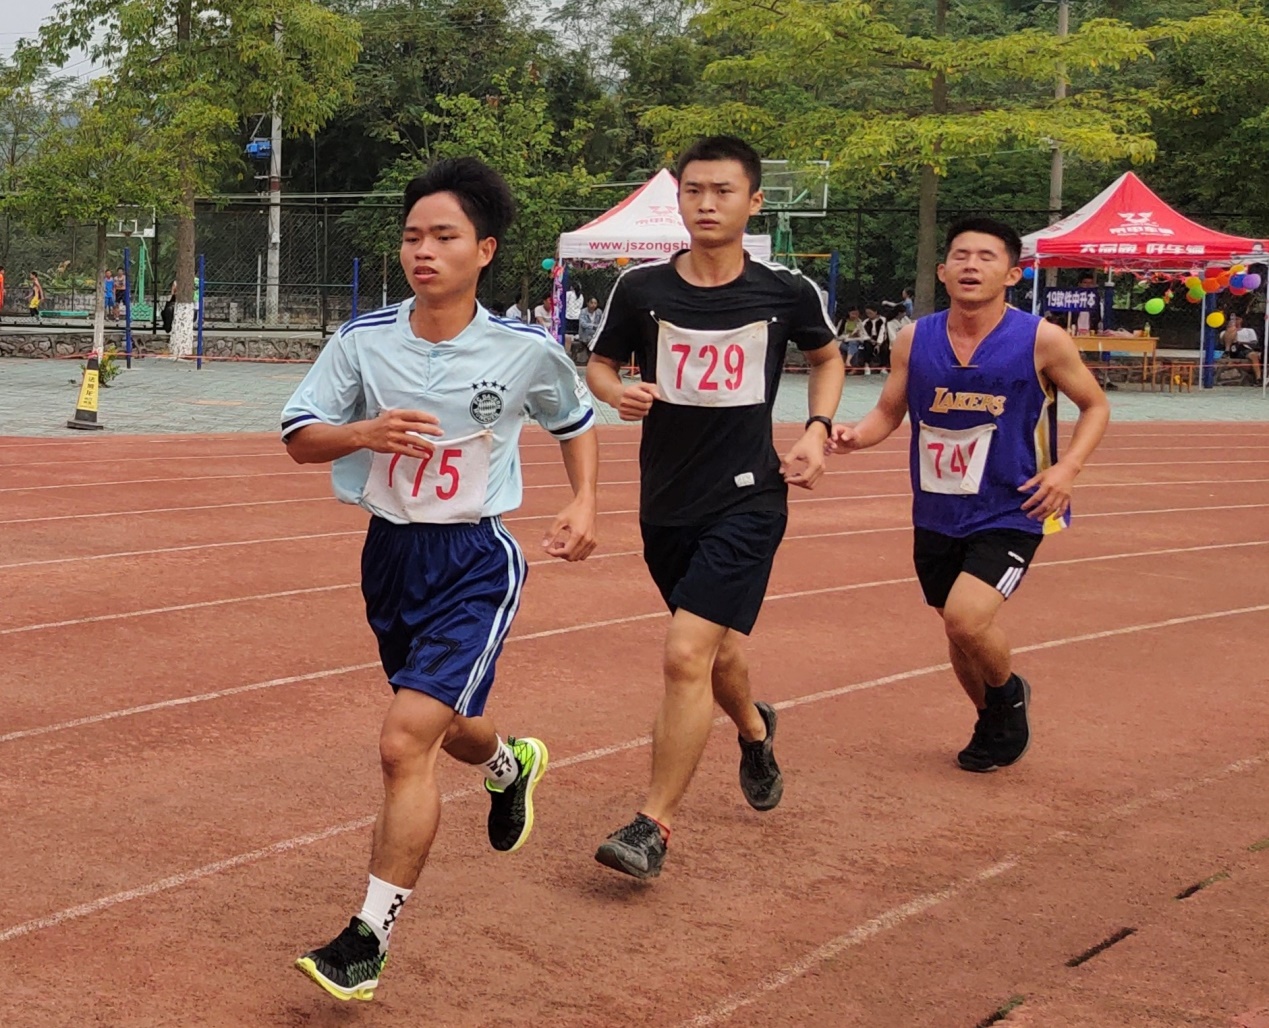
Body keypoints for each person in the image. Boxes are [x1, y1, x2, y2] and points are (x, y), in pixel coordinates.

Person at [282, 157, 599, 1001]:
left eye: (444, 236)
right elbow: (299, 435)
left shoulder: (525, 352)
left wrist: (585, 500)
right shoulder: (362, 341)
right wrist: (364, 433)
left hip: (474, 562)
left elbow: (574, 419)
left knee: (402, 742)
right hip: (389, 556)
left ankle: (366, 940)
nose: (423, 251)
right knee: (445, 726)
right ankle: (507, 765)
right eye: (412, 236)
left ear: (484, 250)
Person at [585, 135, 844, 880]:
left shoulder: (785, 291)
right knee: (718, 652)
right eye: (693, 190)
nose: (706, 203)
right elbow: (599, 364)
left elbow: (827, 356)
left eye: (723, 191)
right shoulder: (640, 289)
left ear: (753, 201)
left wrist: (816, 430)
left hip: (749, 498)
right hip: (666, 501)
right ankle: (755, 730)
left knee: (684, 653)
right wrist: (616, 392)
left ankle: (652, 826)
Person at [826, 216, 1109, 773]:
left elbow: (1095, 405)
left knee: (965, 618)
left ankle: (1007, 697)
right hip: (937, 508)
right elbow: (888, 411)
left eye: (986, 257)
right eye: (960, 255)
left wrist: (1068, 469)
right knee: (955, 629)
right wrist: (855, 436)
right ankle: (988, 717)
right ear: (942, 270)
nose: (971, 266)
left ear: (1012, 274)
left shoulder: (1042, 339)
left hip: (1014, 506)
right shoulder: (915, 338)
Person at [1221, 314, 1262, 383]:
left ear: (1241, 320)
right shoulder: (1224, 333)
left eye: (1237, 319)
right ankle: (1227, 353)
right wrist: (1231, 330)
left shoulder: (1249, 330)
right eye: (1233, 319)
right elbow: (1222, 342)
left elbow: (1254, 343)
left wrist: (1241, 342)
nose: (1235, 321)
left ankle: (1258, 378)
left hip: (1244, 348)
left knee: (1253, 355)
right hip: (1231, 349)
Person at [575, 296, 602, 364]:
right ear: (587, 303)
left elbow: (601, 323)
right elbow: (583, 324)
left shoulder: (599, 312)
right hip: (585, 335)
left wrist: (595, 327)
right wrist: (594, 326)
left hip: (595, 335)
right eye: (591, 303)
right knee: (591, 340)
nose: (593, 305)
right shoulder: (583, 311)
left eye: (595, 303)